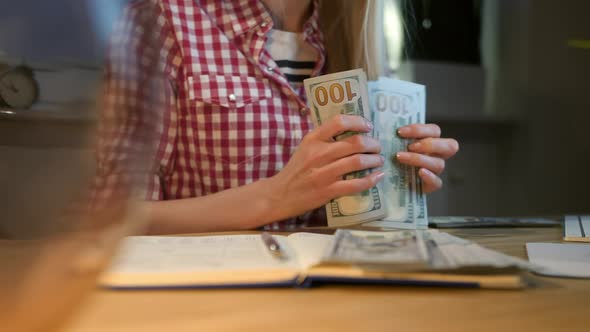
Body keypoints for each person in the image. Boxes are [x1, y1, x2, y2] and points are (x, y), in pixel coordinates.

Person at [91, 0, 459, 234]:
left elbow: (357, 217)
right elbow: (112, 220)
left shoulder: (358, 41)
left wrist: (397, 183)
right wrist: (275, 198)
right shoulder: (162, 18)